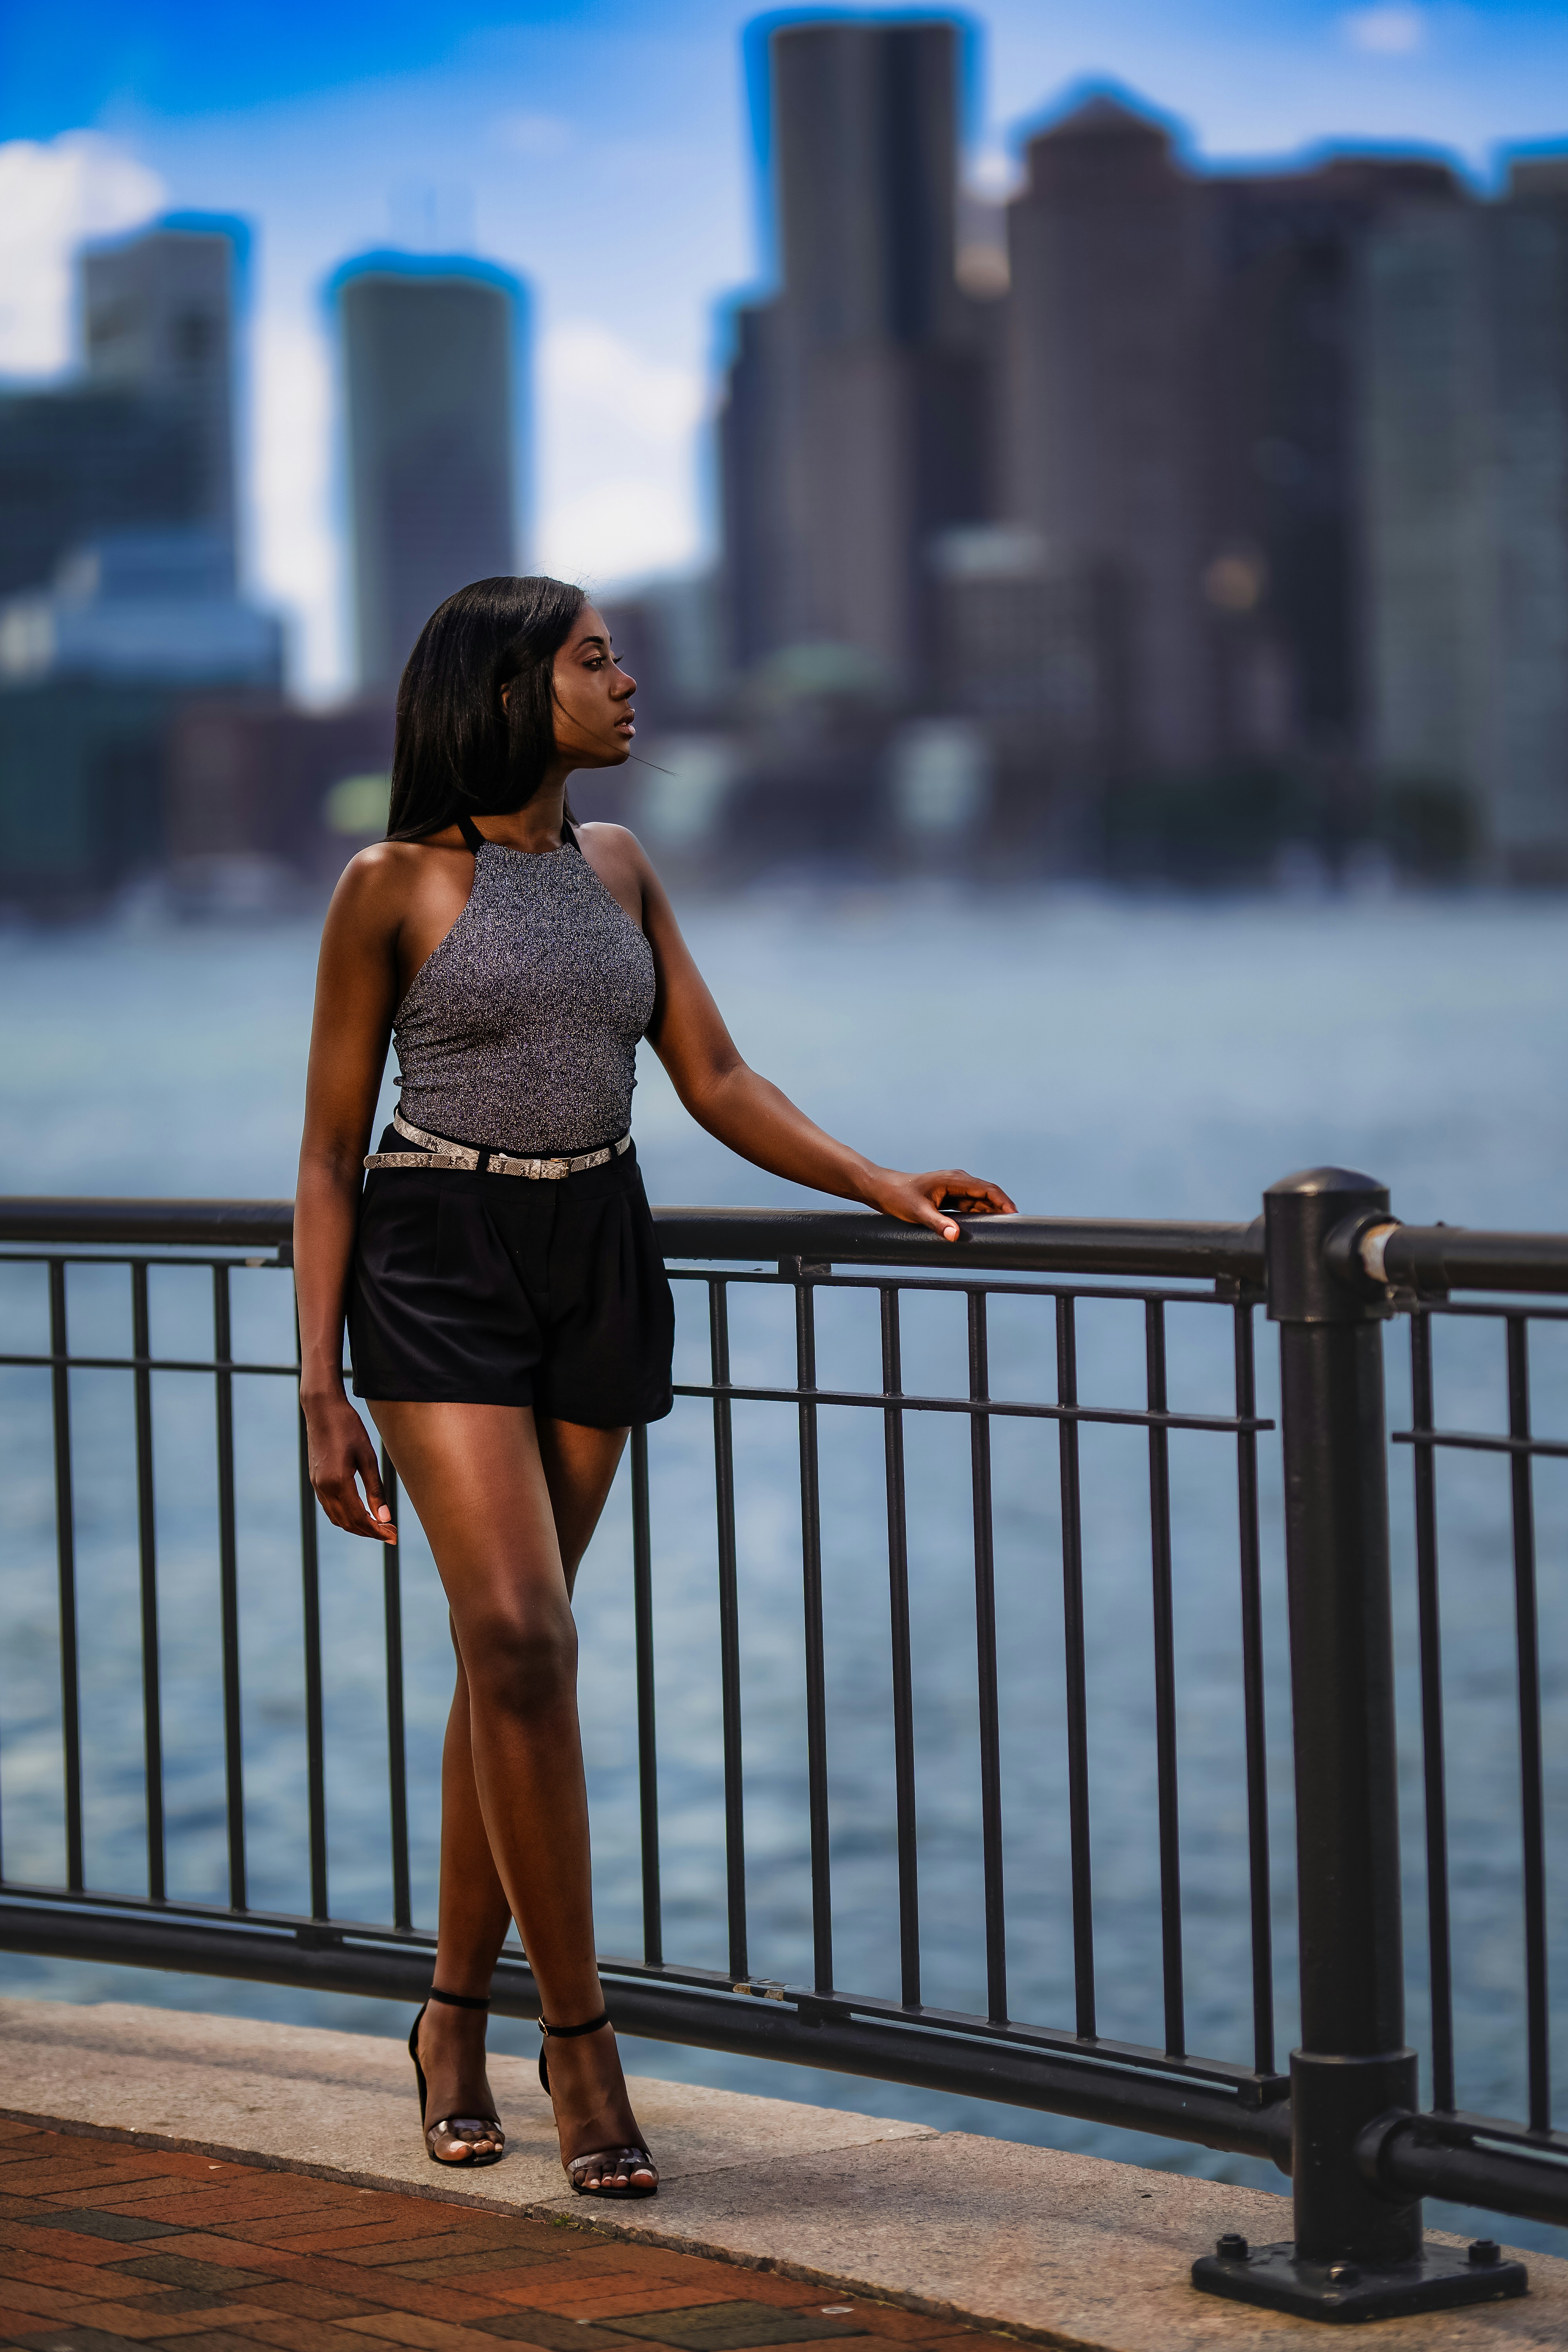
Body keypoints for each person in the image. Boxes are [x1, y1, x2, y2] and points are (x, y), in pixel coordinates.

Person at [294, 574, 1014, 2198]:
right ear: (505, 691)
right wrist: (318, 1386)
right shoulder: (389, 885)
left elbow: (714, 1077)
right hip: (439, 1255)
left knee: (513, 1673)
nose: (629, 686)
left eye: (618, 659)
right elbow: (329, 1150)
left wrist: (877, 1181)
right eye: (595, 662)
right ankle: (582, 2041)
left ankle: (446, 2018)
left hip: (597, 1253)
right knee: (523, 1638)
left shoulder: (618, 867)